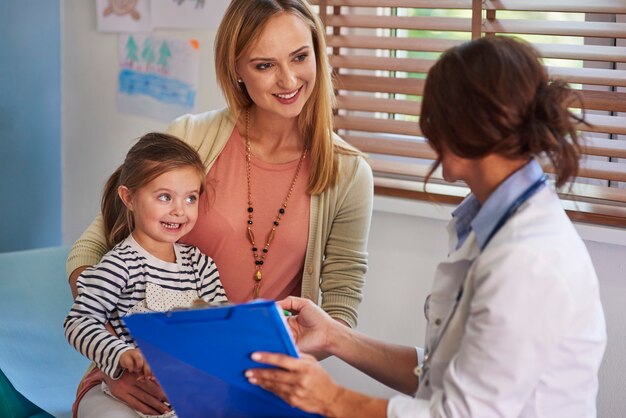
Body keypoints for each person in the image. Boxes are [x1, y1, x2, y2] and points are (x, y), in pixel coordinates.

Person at [245, 36, 607, 417]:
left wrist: (333, 399)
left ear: (463, 125)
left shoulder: (527, 260)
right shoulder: (495, 225)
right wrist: (335, 337)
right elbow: (441, 373)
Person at [66, 0, 373, 415]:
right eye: (264, 65)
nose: (288, 79)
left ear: (318, 52)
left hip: (253, 382)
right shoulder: (192, 137)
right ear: (237, 71)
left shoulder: (349, 174)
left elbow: (338, 311)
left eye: (300, 57)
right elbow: (90, 251)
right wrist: (116, 366)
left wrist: (254, 372)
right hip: (142, 376)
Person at [65, 133, 227, 418]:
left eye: (190, 198)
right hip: (125, 398)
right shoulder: (118, 264)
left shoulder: (202, 266)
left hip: (184, 398)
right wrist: (119, 354)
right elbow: (78, 322)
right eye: (165, 197)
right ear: (129, 198)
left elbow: (222, 328)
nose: (179, 210)